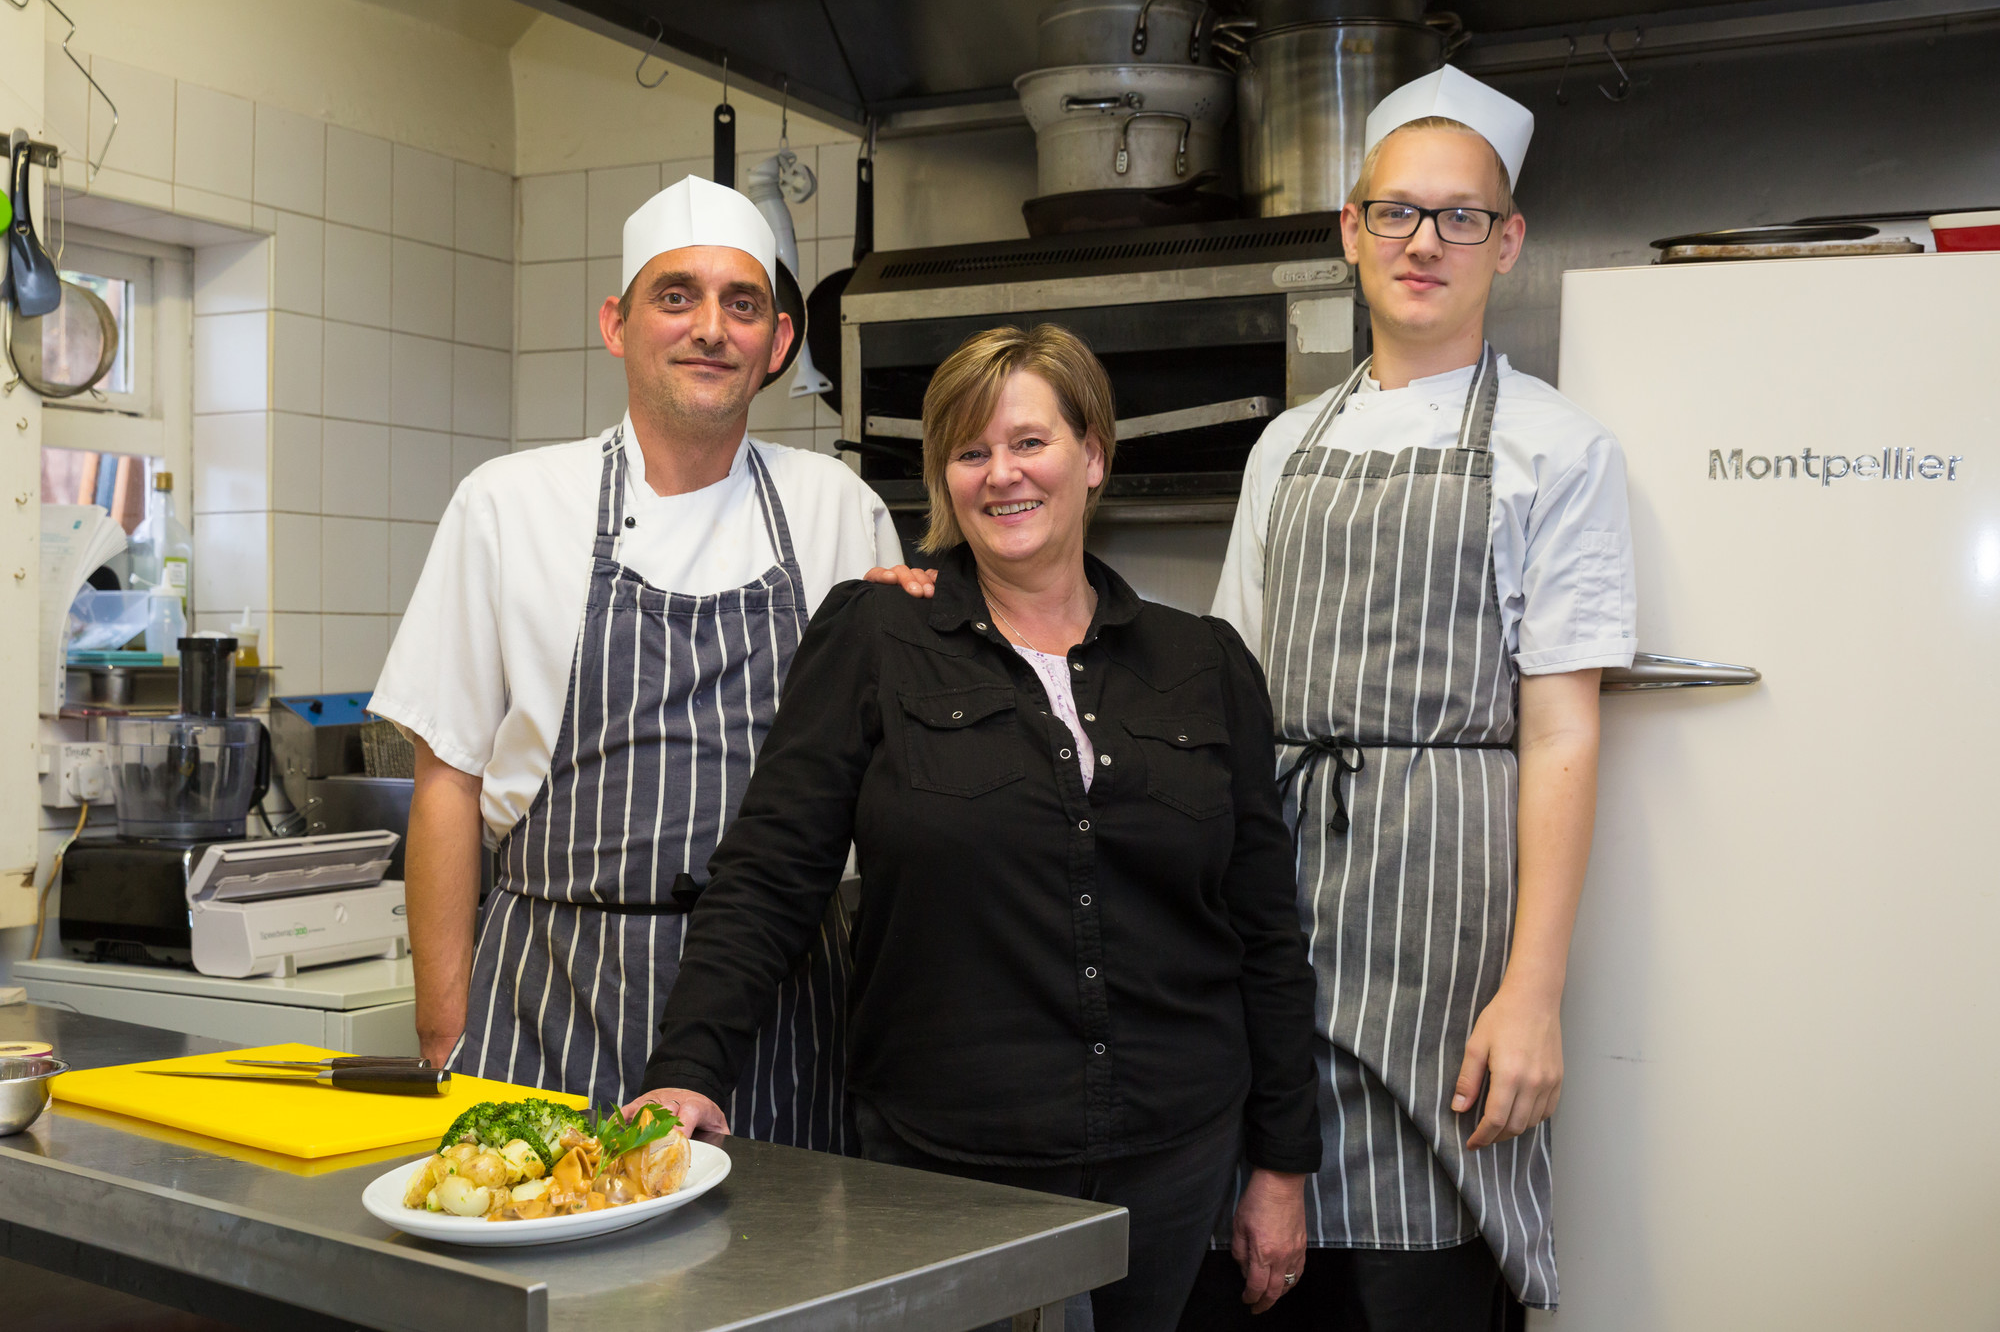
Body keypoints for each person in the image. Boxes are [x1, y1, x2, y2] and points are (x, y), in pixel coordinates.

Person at [630, 324, 1323, 1329]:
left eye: (1029, 442)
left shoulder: (1204, 662)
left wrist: (1281, 1161)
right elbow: (771, 872)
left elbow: (1264, 929)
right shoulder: (876, 636)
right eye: (969, 451)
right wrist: (687, 1070)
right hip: (946, 1165)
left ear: (1092, 455)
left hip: (1175, 1156)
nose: (1002, 474)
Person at [1180, 67, 1638, 1327]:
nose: (1423, 242)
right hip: (1279, 901)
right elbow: (1235, 693)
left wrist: (1531, 988)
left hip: (1447, 928)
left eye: (1460, 216)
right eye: (1396, 212)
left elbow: (1560, 727)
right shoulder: (1285, 446)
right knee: (1269, 1239)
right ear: (1349, 231)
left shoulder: (1559, 447)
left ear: (1507, 242)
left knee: (1422, 1265)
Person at [371, 175, 902, 1132]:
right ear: (618, 324)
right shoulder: (509, 504)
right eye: (676, 296)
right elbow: (445, 779)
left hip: (775, 1010)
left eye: (743, 304)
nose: (711, 327)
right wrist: (446, 1023)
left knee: (770, 1276)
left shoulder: (840, 510)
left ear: (779, 343)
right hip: (552, 994)